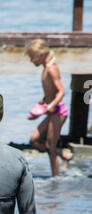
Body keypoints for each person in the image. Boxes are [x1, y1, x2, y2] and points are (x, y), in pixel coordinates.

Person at [25, 39, 72, 177]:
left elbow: (61, 91)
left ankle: (55, 180)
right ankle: (63, 154)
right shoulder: (45, 69)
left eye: (32, 57)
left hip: (58, 112)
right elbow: (51, 91)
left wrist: (51, 105)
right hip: (51, 112)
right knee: (34, 140)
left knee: (51, 149)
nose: (31, 60)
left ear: (42, 54)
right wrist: (44, 100)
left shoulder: (52, 69)